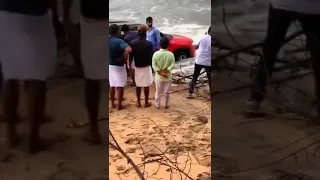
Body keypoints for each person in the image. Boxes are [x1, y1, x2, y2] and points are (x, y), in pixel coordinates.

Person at [0, 0, 57, 153]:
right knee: (36, 77)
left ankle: (11, 134)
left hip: (6, 14)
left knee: (10, 75)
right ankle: (33, 139)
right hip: (35, 17)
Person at [246, 1, 320, 116]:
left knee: (270, 49)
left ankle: (255, 99)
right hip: (313, 8)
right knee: (317, 54)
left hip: (282, 4)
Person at [130, 25, 154, 108]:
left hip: (137, 66)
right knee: (146, 85)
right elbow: (151, 57)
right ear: (146, 33)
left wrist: (130, 68)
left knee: (138, 85)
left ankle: (138, 102)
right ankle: (146, 102)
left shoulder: (133, 43)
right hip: (146, 66)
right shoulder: (149, 44)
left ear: (138, 32)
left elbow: (131, 57)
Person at [109, 24, 132, 110]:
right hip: (119, 66)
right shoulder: (119, 41)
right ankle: (119, 105)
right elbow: (129, 49)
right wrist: (124, 56)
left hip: (110, 66)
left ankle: (112, 104)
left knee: (112, 85)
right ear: (117, 31)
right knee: (120, 85)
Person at [187, 26, 212, 99]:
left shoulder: (202, 37)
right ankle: (211, 95)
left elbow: (197, 46)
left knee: (195, 77)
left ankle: (190, 93)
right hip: (208, 62)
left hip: (199, 60)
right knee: (210, 79)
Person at [152, 37, 175, 109]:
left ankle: (157, 105)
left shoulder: (156, 54)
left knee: (158, 91)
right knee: (166, 92)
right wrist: (167, 70)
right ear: (168, 45)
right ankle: (165, 104)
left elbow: (154, 65)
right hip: (168, 76)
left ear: (159, 45)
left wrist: (160, 72)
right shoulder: (171, 54)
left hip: (159, 77)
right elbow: (172, 64)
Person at [62, 0, 83, 77]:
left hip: (73, 19)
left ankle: (80, 70)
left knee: (75, 46)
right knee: (77, 46)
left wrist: (65, 19)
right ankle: (80, 69)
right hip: (79, 17)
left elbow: (66, 3)